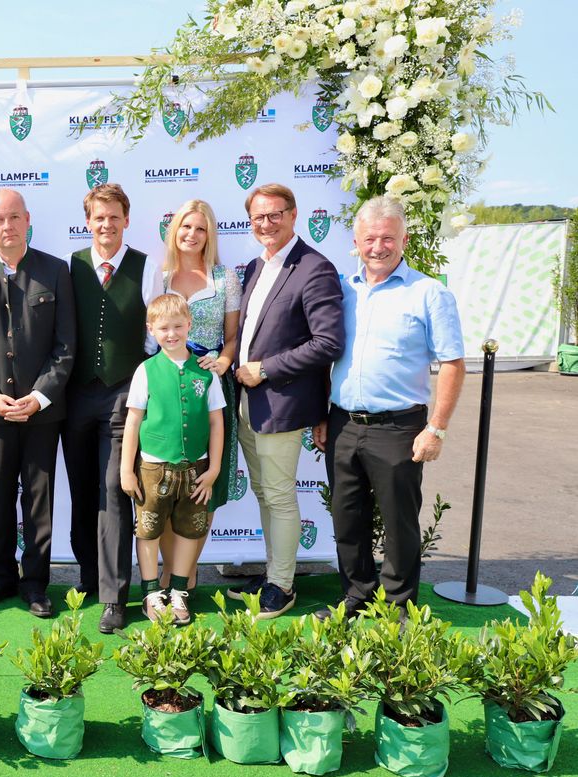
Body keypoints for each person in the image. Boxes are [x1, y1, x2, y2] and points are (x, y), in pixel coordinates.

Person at [312, 197, 465, 618]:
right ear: (356, 242)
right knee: (347, 518)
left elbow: (453, 363)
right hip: (342, 423)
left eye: (388, 238)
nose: (378, 247)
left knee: (399, 523)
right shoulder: (342, 289)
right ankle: (357, 597)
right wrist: (324, 414)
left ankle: (399, 605)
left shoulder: (429, 292)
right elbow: (327, 353)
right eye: (369, 238)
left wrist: (437, 428)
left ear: (404, 240)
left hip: (399, 427)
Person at [0, 188, 75, 618]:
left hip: (42, 412)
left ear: (27, 220)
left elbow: (65, 346)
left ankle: (36, 584)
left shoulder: (55, 271)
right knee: (0, 498)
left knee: (38, 500)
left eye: (14, 217)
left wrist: (38, 397)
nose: (7, 226)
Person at [228, 183, 344, 619]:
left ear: (293, 215)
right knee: (263, 492)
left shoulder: (314, 267)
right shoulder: (258, 267)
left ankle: (283, 585)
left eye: (275, 214)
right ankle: (275, 571)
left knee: (278, 496)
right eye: (258, 217)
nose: (266, 224)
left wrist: (267, 368)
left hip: (283, 404)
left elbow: (327, 342)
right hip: (248, 403)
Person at [61, 183, 157, 633]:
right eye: (98, 218)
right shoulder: (73, 266)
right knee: (82, 491)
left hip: (123, 394)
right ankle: (86, 577)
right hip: (77, 394)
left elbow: (157, 337)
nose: (106, 225)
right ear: (88, 221)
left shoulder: (146, 267)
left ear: (126, 219)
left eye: (113, 217)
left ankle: (115, 597)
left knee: (113, 492)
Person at [154, 200, 242, 594]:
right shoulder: (160, 276)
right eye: (185, 227)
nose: (192, 234)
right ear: (174, 231)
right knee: (170, 479)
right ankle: (169, 573)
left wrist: (224, 360)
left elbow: (234, 335)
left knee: (202, 484)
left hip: (210, 387)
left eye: (201, 228)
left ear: (210, 235)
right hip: (166, 389)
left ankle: (185, 576)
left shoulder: (225, 278)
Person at [120, 294, 225, 625]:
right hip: (153, 469)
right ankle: (152, 594)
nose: (171, 334)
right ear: (151, 329)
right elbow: (134, 421)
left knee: (189, 530)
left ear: (189, 325)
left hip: (196, 469)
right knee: (149, 530)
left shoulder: (205, 373)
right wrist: (127, 470)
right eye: (163, 328)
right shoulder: (146, 370)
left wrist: (214, 470)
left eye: (178, 326)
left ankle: (179, 591)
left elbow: (216, 422)